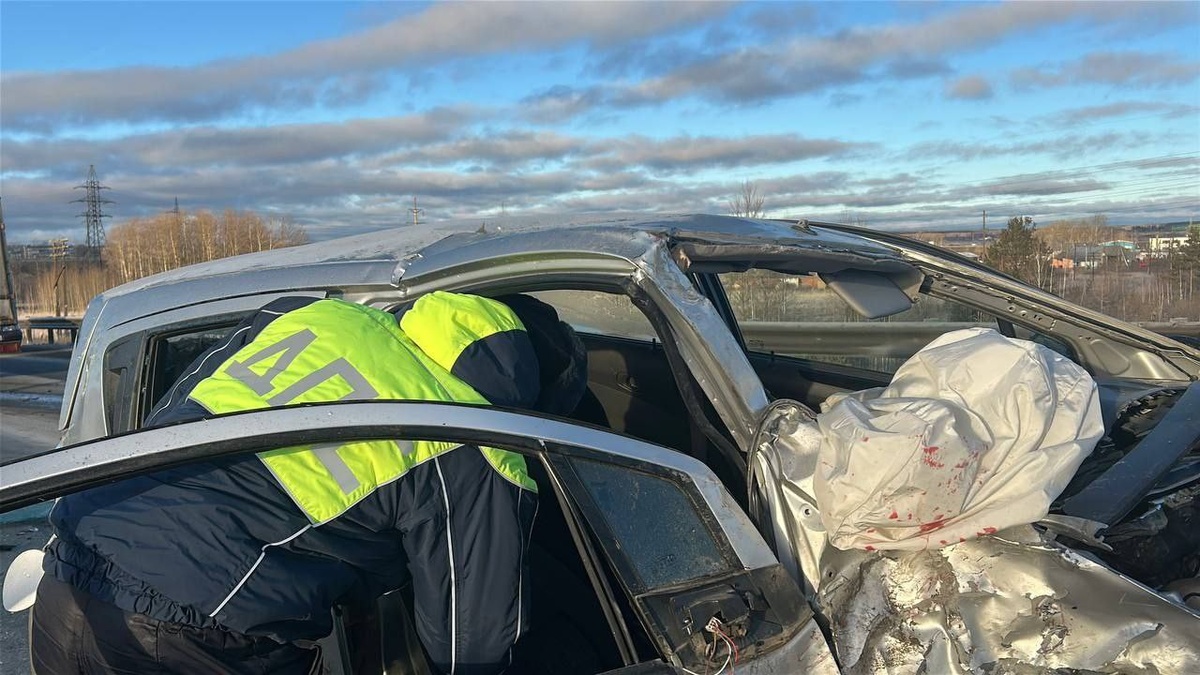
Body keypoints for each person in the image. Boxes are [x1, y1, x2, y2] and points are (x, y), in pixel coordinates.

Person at [31, 291, 587, 675]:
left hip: (70, 568)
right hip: (195, 638)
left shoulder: (321, 319)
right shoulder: (476, 442)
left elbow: (182, 402)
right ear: (531, 408)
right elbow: (474, 646)